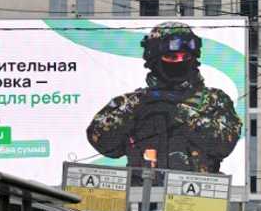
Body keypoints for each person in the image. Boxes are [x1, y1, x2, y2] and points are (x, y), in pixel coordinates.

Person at [87, 22, 243, 175]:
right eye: (171, 57)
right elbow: (103, 144)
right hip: (142, 190)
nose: (180, 62)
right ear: (154, 60)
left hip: (195, 190)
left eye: (186, 56)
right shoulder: (132, 102)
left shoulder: (214, 100)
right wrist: (135, 108)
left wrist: (180, 112)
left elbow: (224, 145)